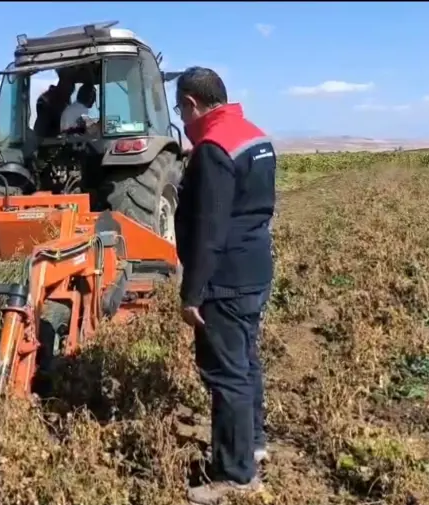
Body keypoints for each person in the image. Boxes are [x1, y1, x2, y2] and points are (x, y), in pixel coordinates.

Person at [172, 66, 276, 505]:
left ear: (192, 103)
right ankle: (253, 443)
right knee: (246, 360)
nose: (183, 118)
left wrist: (192, 291)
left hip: (226, 278)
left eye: (181, 109)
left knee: (227, 373)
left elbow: (210, 229)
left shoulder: (214, 147)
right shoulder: (254, 136)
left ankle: (235, 475)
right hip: (254, 269)